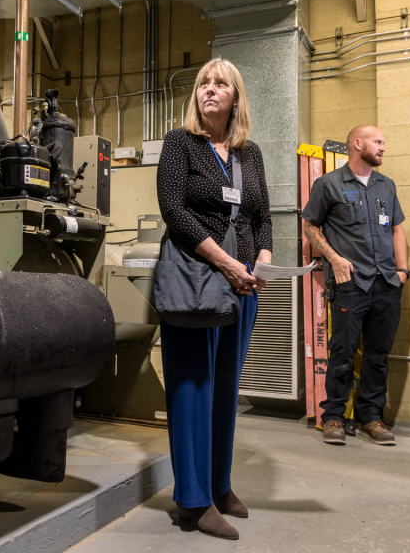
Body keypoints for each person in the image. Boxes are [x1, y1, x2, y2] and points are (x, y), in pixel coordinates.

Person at [156, 57, 272, 540]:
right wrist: (227, 263)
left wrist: (261, 260)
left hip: (242, 288)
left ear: (235, 97)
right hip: (196, 283)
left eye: (220, 83)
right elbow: (173, 210)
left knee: (225, 389)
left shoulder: (251, 154)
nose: (209, 89)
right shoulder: (180, 144)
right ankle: (194, 500)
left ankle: (220, 486)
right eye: (204, 82)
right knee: (192, 390)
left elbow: (262, 216)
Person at [300, 125, 409, 446]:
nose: (383, 148)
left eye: (383, 143)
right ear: (357, 144)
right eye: (378, 142)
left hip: (387, 283)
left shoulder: (386, 186)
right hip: (350, 284)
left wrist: (402, 271)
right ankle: (333, 415)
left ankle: (371, 417)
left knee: (378, 355)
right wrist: (333, 258)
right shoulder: (329, 184)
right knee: (343, 352)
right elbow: (309, 225)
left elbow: (398, 230)